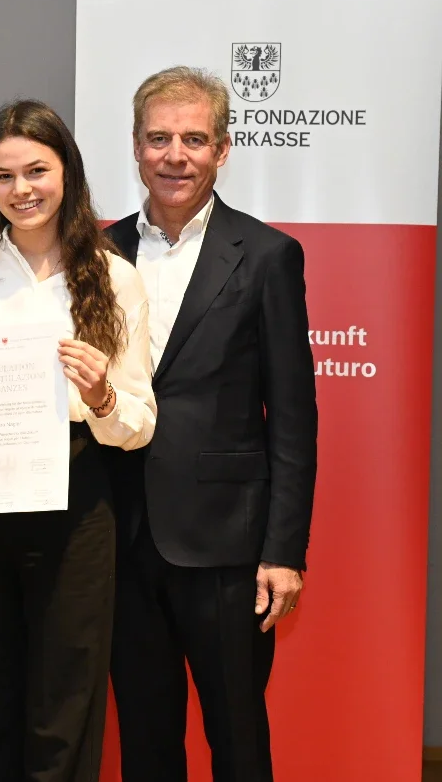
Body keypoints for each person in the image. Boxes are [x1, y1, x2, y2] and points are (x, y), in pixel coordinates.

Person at [0, 100, 156, 781]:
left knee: (64, 702)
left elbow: (140, 420)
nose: (22, 189)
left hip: (77, 499)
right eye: (3, 176)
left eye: (37, 171)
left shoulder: (114, 276)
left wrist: (102, 395)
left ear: (66, 172)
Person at [105, 66, 317, 782]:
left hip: (229, 547)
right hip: (120, 538)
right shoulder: (97, 253)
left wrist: (284, 551)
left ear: (222, 150)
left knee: (239, 739)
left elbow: (293, 419)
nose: (175, 156)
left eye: (194, 139)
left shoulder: (267, 255)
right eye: (159, 138)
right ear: (136, 146)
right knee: (145, 742)